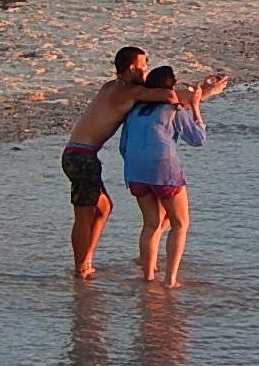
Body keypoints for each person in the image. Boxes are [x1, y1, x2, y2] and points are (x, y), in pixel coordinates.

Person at [61, 47, 224, 279]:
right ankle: (82, 268)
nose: (146, 70)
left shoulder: (114, 87)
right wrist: (202, 94)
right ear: (131, 68)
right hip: (81, 155)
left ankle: (88, 261)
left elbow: (161, 104)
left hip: (80, 154)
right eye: (143, 66)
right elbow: (168, 98)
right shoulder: (127, 92)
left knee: (104, 208)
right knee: (84, 214)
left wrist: (203, 91)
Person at [119, 65, 207, 287]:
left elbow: (123, 146)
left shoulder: (134, 111)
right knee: (180, 223)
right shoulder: (173, 110)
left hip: (135, 172)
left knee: (151, 224)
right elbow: (198, 140)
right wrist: (196, 107)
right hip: (164, 170)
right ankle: (170, 280)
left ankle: (148, 278)